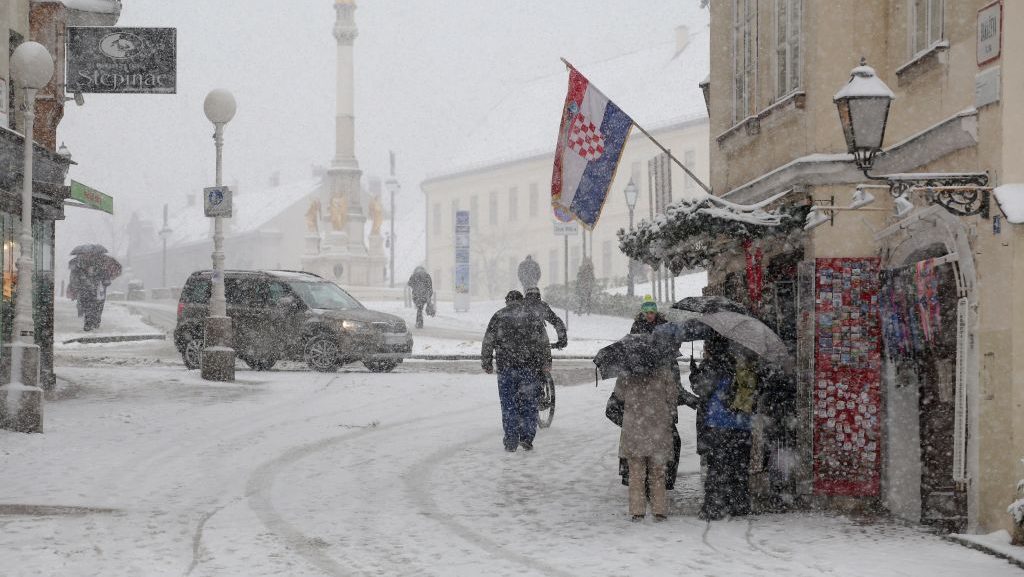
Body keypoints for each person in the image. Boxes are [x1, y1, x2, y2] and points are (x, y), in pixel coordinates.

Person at [613, 333, 678, 522]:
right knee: (658, 473)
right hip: (658, 427)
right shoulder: (664, 371)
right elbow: (672, 396)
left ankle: (637, 511)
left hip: (634, 427)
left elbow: (619, 395)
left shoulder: (627, 372)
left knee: (636, 473)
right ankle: (659, 510)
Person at [691, 335, 755, 521]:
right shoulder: (738, 364)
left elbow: (702, 389)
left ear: (710, 349)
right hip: (742, 423)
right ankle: (739, 504)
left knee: (718, 467)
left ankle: (715, 507)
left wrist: (694, 374)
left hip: (718, 423)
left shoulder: (712, 365)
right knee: (738, 466)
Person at [481, 290, 551, 452]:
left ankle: (511, 439)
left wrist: (487, 362)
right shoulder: (532, 316)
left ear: (507, 301)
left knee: (508, 404)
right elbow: (543, 341)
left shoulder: (499, 316)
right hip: (529, 367)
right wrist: (546, 362)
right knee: (529, 403)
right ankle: (527, 437)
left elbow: (488, 340)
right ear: (522, 301)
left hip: (506, 368)